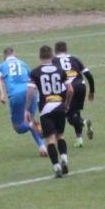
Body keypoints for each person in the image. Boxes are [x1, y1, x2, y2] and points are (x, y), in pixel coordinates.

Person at [25, 45, 74, 178]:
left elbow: (30, 92)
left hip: (46, 109)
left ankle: (57, 167)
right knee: (60, 136)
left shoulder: (35, 72)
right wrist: (67, 104)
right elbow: (70, 89)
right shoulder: (60, 70)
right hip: (60, 107)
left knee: (50, 139)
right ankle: (64, 158)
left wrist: (27, 109)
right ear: (52, 56)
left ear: (40, 57)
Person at [0, 48, 47, 157]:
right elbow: (33, 78)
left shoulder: (2, 66)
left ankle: (32, 125)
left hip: (15, 94)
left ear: (5, 57)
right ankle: (42, 148)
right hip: (30, 92)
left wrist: (2, 94)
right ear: (15, 55)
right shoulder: (23, 63)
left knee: (18, 127)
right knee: (30, 118)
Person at [53, 41, 95, 148]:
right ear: (66, 49)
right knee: (76, 112)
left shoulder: (54, 61)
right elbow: (89, 75)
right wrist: (92, 91)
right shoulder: (74, 59)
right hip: (81, 86)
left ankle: (84, 122)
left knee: (70, 116)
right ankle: (79, 140)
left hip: (68, 88)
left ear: (55, 50)